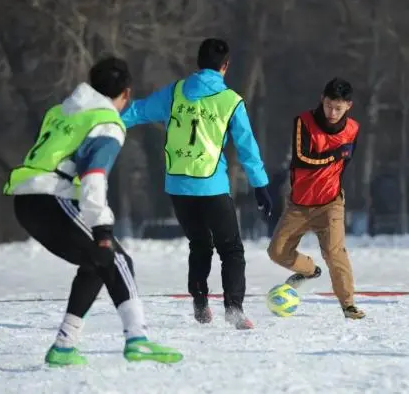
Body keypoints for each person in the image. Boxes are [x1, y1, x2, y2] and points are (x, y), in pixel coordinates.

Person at [2, 57, 182, 366]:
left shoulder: (60, 111)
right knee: (117, 258)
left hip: (26, 199)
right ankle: (137, 339)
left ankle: (64, 346)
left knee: (96, 263)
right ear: (126, 93)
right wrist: (102, 228)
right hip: (50, 198)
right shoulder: (107, 122)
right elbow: (93, 176)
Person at [120, 38, 272, 330]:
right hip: (212, 186)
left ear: (198, 63)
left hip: (177, 186)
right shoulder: (231, 101)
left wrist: (106, 121)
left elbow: (138, 111)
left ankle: (201, 303)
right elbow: (247, 147)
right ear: (225, 66)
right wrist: (260, 185)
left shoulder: (176, 92)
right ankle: (234, 309)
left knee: (200, 244)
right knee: (231, 249)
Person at [267, 78, 365, 319]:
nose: (332, 112)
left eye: (338, 108)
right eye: (329, 105)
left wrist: (335, 166)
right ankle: (309, 271)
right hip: (299, 204)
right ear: (322, 99)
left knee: (335, 253)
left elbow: (347, 161)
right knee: (277, 252)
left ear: (348, 106)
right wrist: (334, 155)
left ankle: (348, 304)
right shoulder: (304, 122)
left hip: (331, 203)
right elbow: (302, 158)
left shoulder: (353, 129)